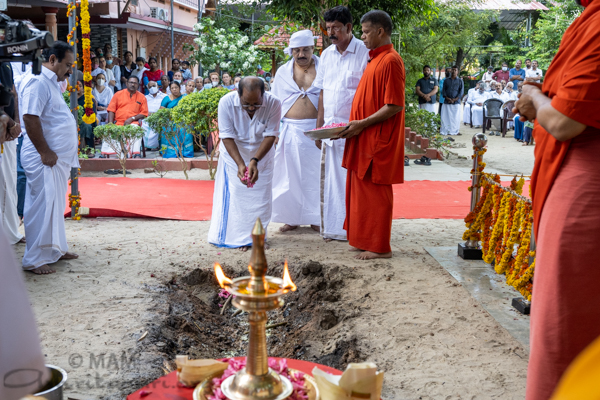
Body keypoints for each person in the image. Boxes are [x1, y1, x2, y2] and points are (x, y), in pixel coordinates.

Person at [513, 1, 600, 398]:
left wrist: (534, 97)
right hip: (576, 179)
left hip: (585, 186)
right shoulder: (588, 18)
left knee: (564, 328)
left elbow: (566, 121)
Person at [339, 10, 404, 260]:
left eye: (366, 32)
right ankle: (362, 239)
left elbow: (395, 104)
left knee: (375, 191)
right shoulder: (374, 59)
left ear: (380, 31)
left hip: (376, 137)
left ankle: (379, 247)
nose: (362, 37)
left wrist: (362, 124)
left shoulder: (390, 60)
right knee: (360, 189)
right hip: (363, 134)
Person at [19, 41, 79, 274]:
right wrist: (45, 151)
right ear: (52, 60)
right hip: (42, 158)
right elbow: (30, 119)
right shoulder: (37, 82)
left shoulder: (52, 82)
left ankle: (56, 249)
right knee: (40, 207)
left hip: (55, 159)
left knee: (55, 205)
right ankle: (33, 259)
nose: (70, 70)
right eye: (67, 65)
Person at [314, 5, 369, 242]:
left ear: (349, 27)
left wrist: (363, 126)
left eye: (335, 28)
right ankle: (335, 229)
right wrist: (319, 128)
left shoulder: (365, 53)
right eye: (328, 28)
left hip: (356, 131)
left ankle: (357, 230)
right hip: (330, 131)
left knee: (355, 182)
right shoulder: (326, 55)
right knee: (331, 182)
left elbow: (370, 95)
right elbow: (323, 93)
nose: (331, 33)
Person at [207, 77, 282, 250]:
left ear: (264, 94)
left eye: (256, 104)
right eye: (246, 103)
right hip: (234, 155)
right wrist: (241, 164)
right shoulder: (225, 103)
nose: (251, 108)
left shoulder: (274, 103)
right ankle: (241, 238)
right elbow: (226, 136)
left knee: (261, 198)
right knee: (237, 198)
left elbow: (271, 135)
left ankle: (257, 237)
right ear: (237, 93)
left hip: (263, 155)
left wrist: (255, 160)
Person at [271, 30, 321, 233]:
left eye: (305, 50)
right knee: (289, 176)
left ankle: (316, 218)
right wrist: (274, 132)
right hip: (291, 130)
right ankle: (292, 218)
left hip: (318, 131)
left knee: (316, 176)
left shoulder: (324, 67)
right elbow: (275, 103)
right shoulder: (283, 72)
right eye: (297, 50)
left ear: (312, 49)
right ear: (291, 51)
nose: (301, 54)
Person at [0, 62, 24, 245]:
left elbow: (13, 93)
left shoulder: (5, 61)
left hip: (8, 133)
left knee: (10, 182)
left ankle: (11, 232)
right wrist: (6, 121)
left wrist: (15, 122)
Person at [440, 65, 464, 135]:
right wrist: (448, 98)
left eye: (455, 70)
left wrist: (454, 99)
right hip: (447, 102)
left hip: (456, 102)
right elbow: (443, 91)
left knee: (455, 118)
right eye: (452, 70)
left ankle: (455, 130)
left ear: (457, 72)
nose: (453, 71)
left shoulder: (460, 81)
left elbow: (461, 92)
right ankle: (446, 130)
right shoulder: (446, 80)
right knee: (445, 117)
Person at [142, 80, 166, 150]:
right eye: (150, 87)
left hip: (159, 116)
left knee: (158, 124)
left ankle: (155, 145)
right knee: (144, 124)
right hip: (147, 117)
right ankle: (146, 145)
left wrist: (157, 114)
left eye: (153, 86)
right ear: (147, 88)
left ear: (158, 86)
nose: (152, 88)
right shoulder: (145, 97)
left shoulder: (164, 96)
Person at [77, 79, 97, 153]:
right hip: (72, 120)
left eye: (80, 86)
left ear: (83, 88)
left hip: (85, 120)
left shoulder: (88, 98)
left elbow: (92, 114)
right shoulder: (69, 97)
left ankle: (89, 149)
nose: (78, 88)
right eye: (76, 86)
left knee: (87, 126)